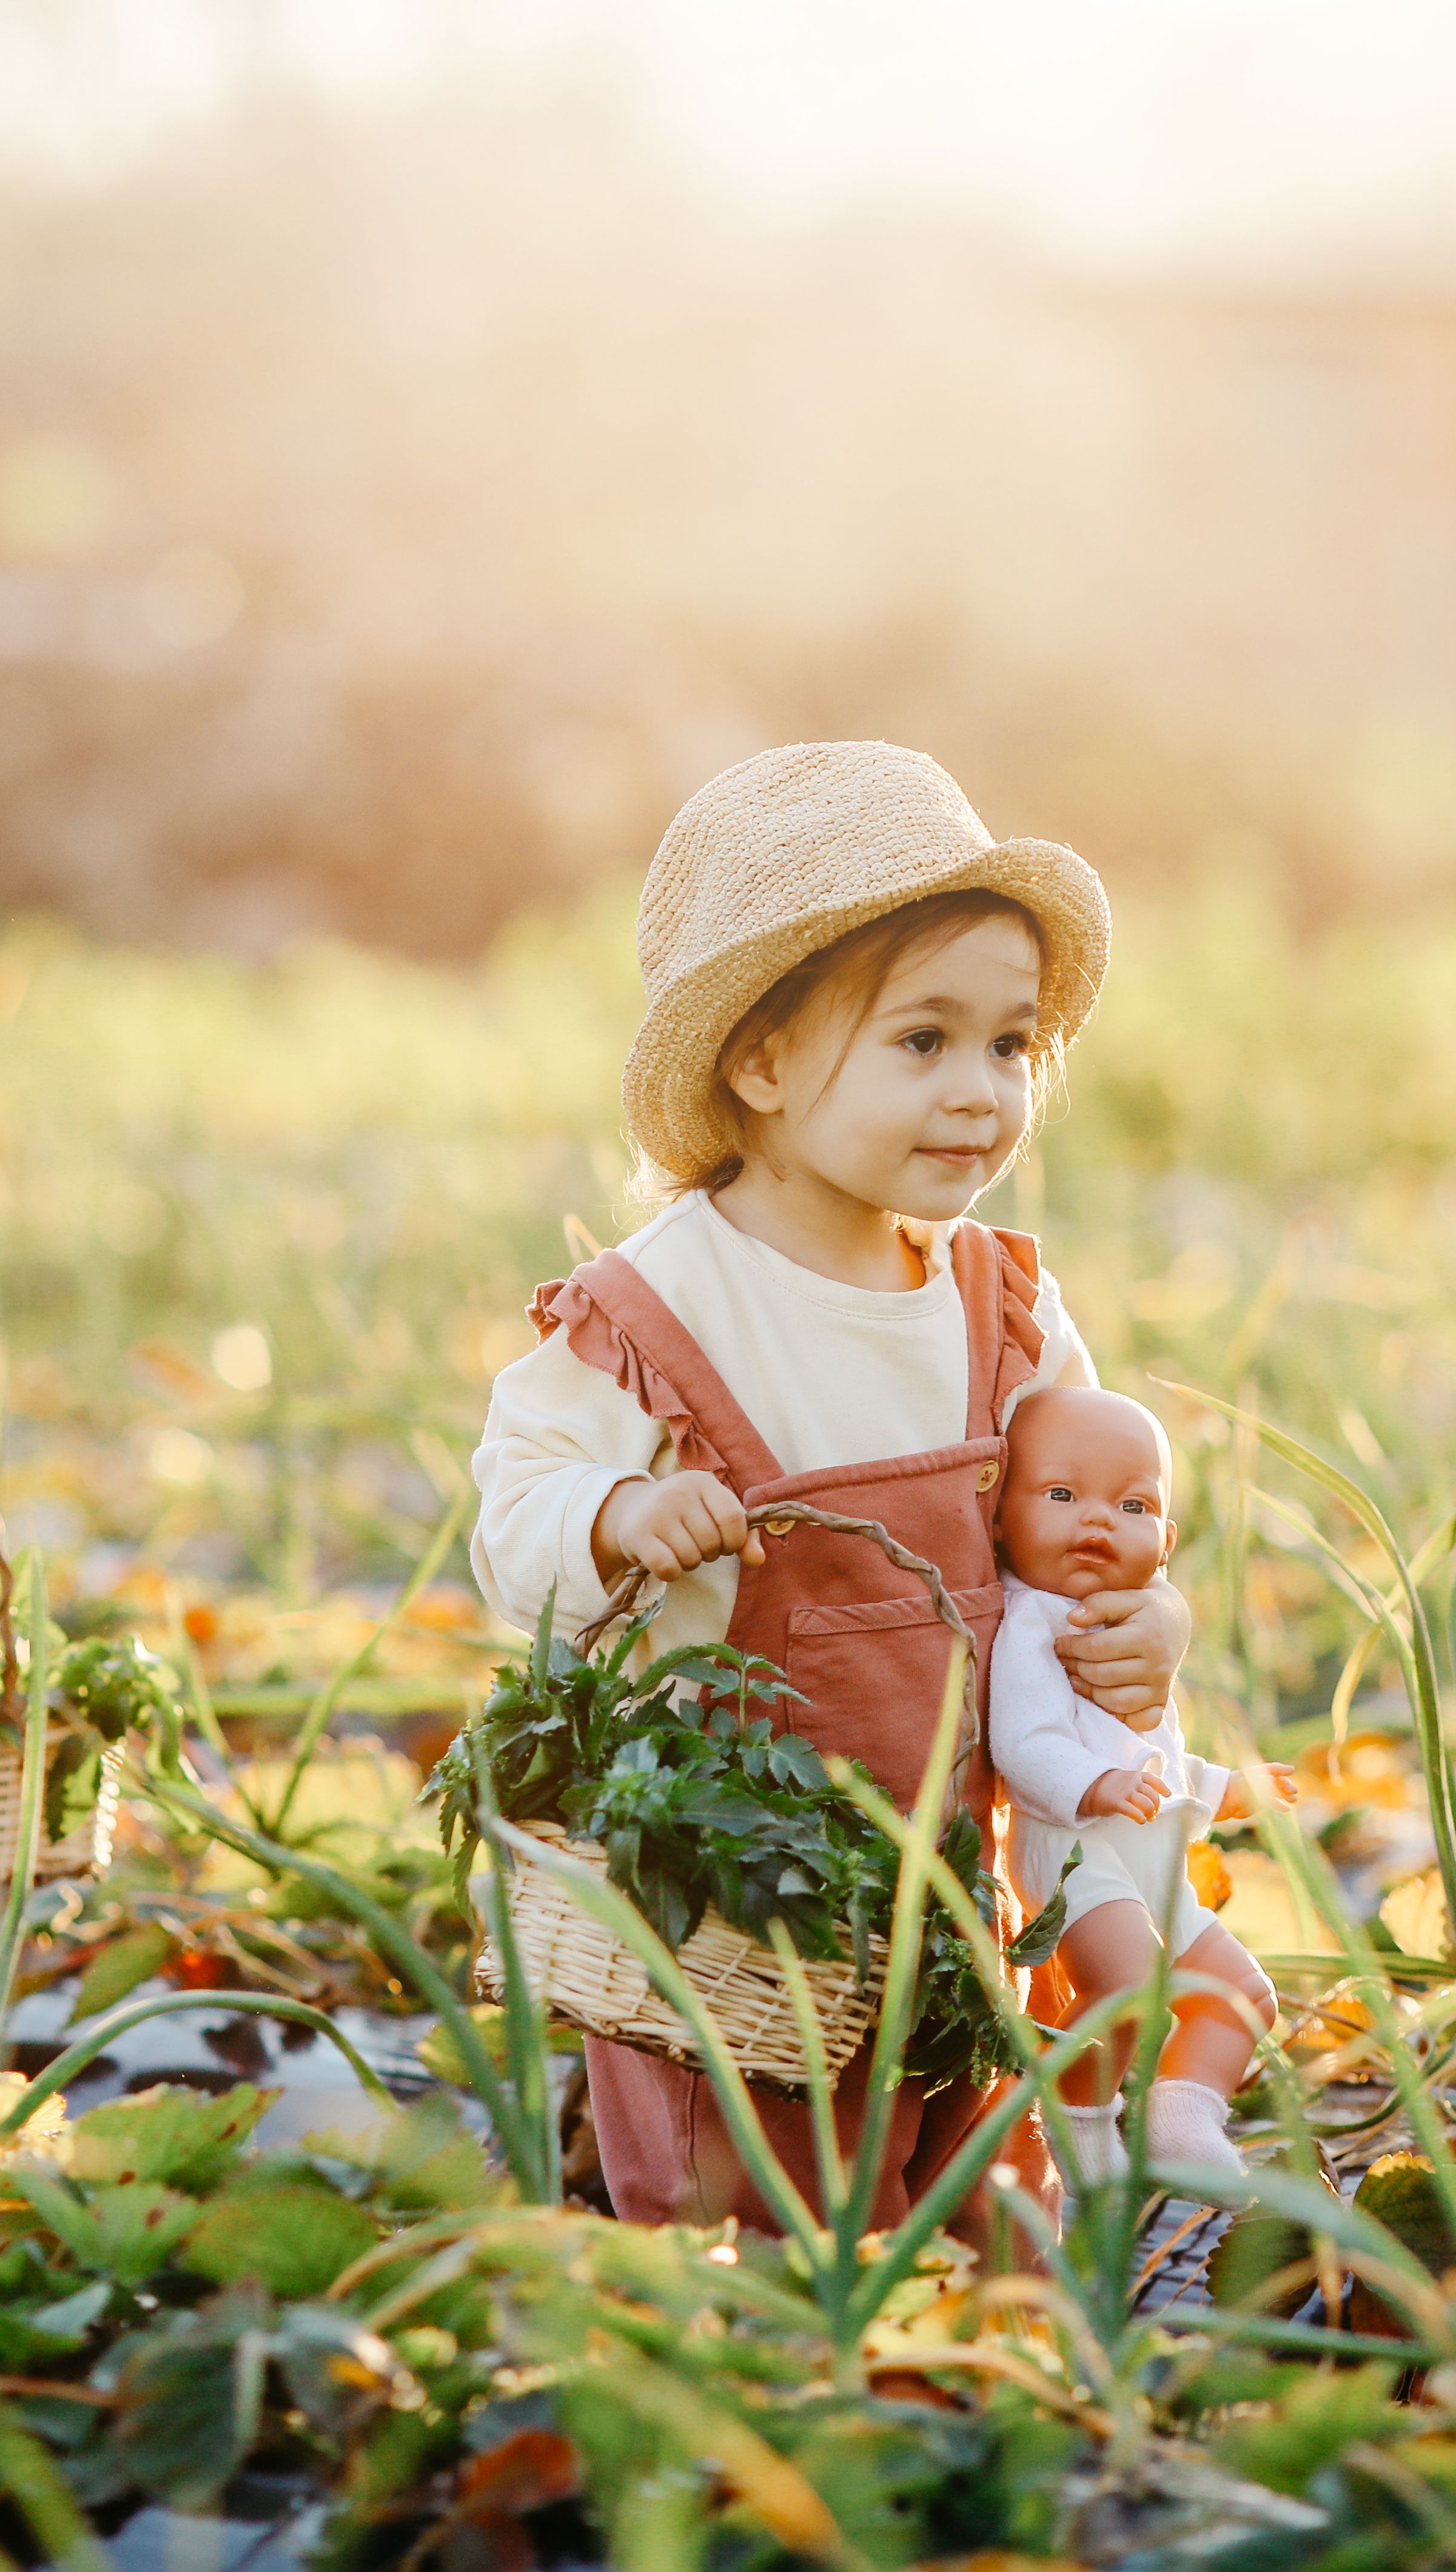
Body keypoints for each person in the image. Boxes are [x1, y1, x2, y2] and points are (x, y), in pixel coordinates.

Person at [471, 739, 1190, 2234]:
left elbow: (1099, 1516)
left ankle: (999, 2410)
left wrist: (1144, 1626)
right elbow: (515, 1507)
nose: (982, 1093)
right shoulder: (659, 1311)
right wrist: (609, 1517)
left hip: (960, 1890)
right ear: (764, 1061)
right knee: (741, 2208)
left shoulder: (1004, 1306)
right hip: (734, 1912)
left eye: (1011, 1047)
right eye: (923, 1042)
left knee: (983, 2195)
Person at [985, 1385, 1293, 2183]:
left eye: (1132, 1505)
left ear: (1166, 1541)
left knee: (1243, 1995)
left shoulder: (1126, 1623)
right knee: (1125, 1986)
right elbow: (1026, 1743)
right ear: (997, 1518)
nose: (1097, 1520)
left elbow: (1159, 1754)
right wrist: (1098, 1785)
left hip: (1148, 1861)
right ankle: (1081, 2129)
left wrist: (1231, 1787)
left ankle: (1182, 2121)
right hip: (1075, 1850)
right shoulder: (1030, 1625)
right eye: (1061, 1495)